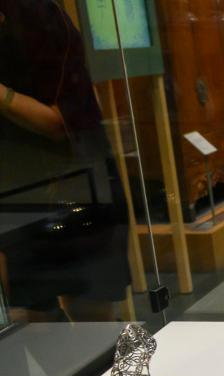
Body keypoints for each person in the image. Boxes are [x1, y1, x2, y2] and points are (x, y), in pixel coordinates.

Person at [0, 0, 130, 322]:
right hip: (17, 192)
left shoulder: (36, 14)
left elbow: (61, 122)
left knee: (92, 319)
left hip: (73, 184)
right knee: (33, 319)